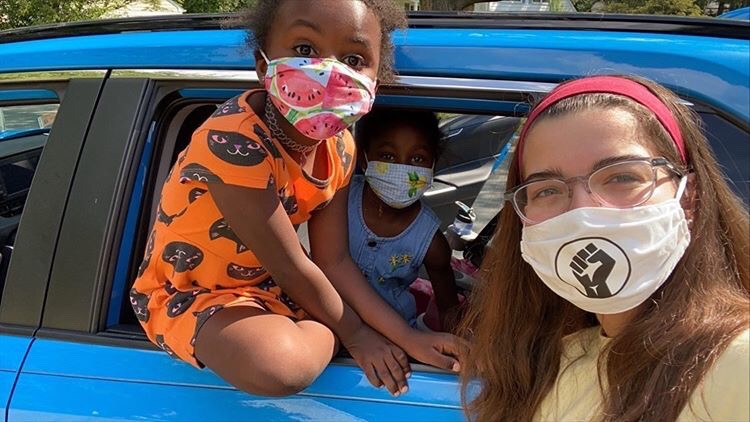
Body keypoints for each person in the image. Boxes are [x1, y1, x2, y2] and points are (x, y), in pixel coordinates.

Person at [130, 0, 461, 398]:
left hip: (271, 291)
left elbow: (333, 260)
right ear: (261, 64)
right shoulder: (235, 143)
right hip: (194, 291)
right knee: (280, 366)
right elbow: (290, 266)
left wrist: (405, 336)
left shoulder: (340, 146)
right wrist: (355, 333)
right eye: (304, 50)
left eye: (354, 58)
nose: (329, 70)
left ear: (377, 79)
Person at [459, 75, 749, 421]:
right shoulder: (551, 364)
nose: (584, 212)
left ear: (688, 198)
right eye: (547, 190)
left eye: (622, 177)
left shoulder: (738, 362)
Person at [349, 109, 460, 332]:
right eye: (388, 156)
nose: (403, 168)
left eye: (417, 159)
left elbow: (449, 310)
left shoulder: (432, 242)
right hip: (324, 321)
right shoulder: (339, 200)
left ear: (432, 166)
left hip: (395, 336)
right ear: (364, 158)